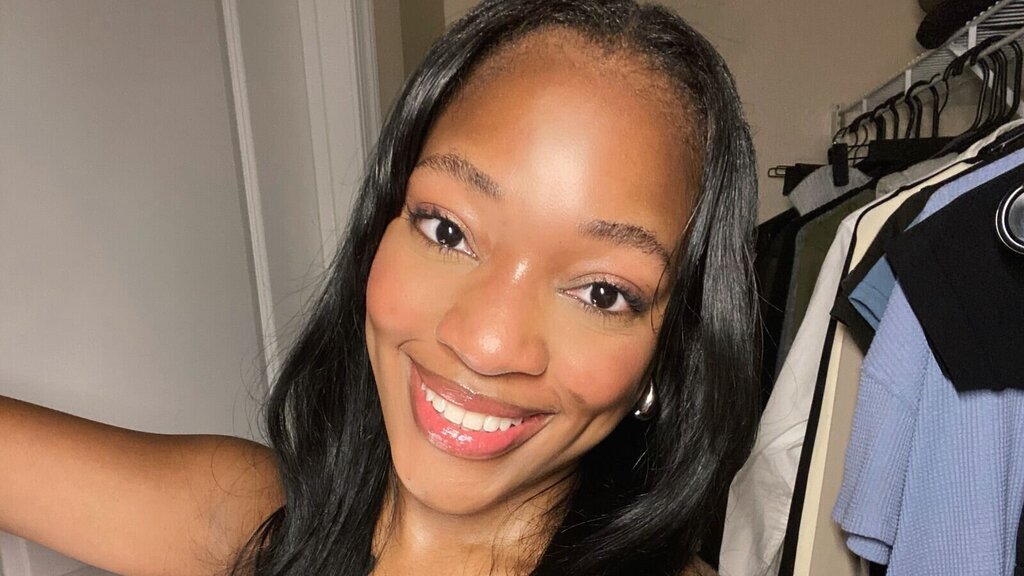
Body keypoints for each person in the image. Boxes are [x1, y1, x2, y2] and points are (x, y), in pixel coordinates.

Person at [0, 1, 759, 574]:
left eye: (601, 293)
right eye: (447, 230)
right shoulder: (244, 521)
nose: (486, 343)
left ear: (669, 353)